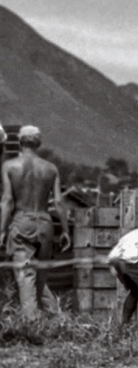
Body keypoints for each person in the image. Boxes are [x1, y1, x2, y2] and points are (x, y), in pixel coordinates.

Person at [0, 125, 68, 319]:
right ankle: (58, 318)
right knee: (39, 277)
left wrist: (2, 230)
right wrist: (65, 230)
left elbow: (7, 201)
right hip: (46, 223)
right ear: (38, 143)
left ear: (20, 142)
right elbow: (58, 202)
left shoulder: (10, 166)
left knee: (26, 276)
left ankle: (31, 326)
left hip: (22, 221)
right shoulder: (50, 168)